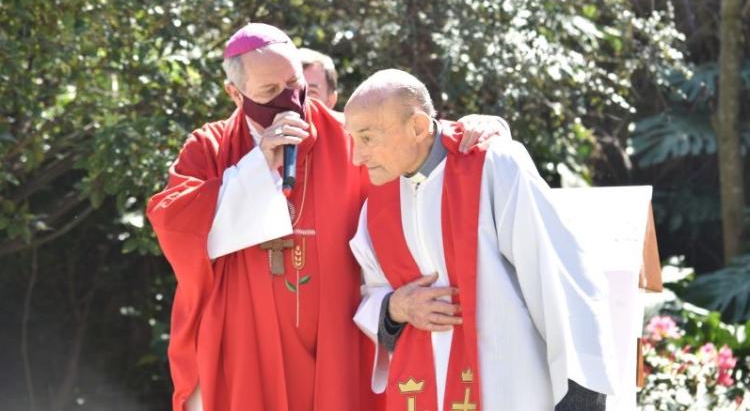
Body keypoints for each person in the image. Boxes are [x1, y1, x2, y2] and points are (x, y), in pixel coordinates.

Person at [146, 23, 509, 411]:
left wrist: (482, 128)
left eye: (293, 82)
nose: (288, 99)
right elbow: (174, 224)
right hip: (247, 353)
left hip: (341, 346)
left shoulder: (349, 136)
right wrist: (257, 167)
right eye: (269, 92)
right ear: (235, 94)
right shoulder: (210, 148)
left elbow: (417, 143)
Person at [347, 69, 617, 411]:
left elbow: (561, 274)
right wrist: (395, 308)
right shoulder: (377, 207)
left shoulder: (493, 165)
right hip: (422, 389)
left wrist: (582, 394)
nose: (357, 157)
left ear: (417, 126)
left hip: (509, 389)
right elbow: (371, 292)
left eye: (367, 138)